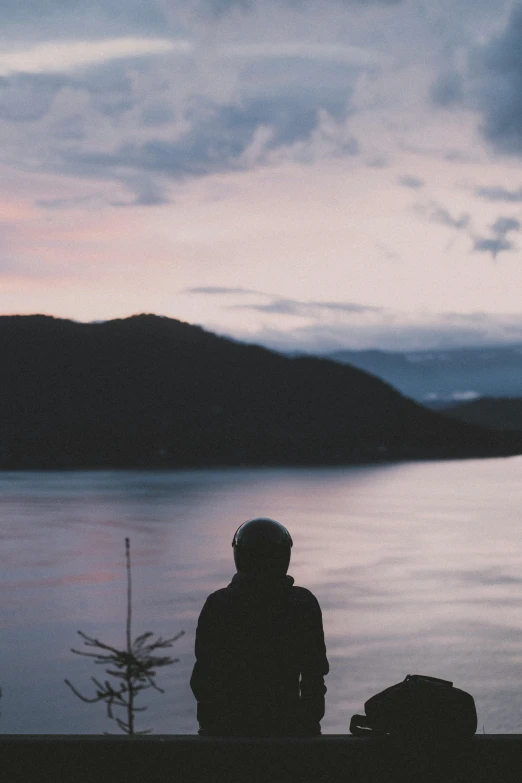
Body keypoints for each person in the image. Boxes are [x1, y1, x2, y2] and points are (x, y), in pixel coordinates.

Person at [190, 517, 329, 736]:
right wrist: (307, 725)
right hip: (289, 730)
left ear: (241, 556)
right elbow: (314, 674)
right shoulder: (302, 603)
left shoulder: (219, 604)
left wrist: (211, 727)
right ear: (283, 557)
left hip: (227, 731)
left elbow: (203, 678)